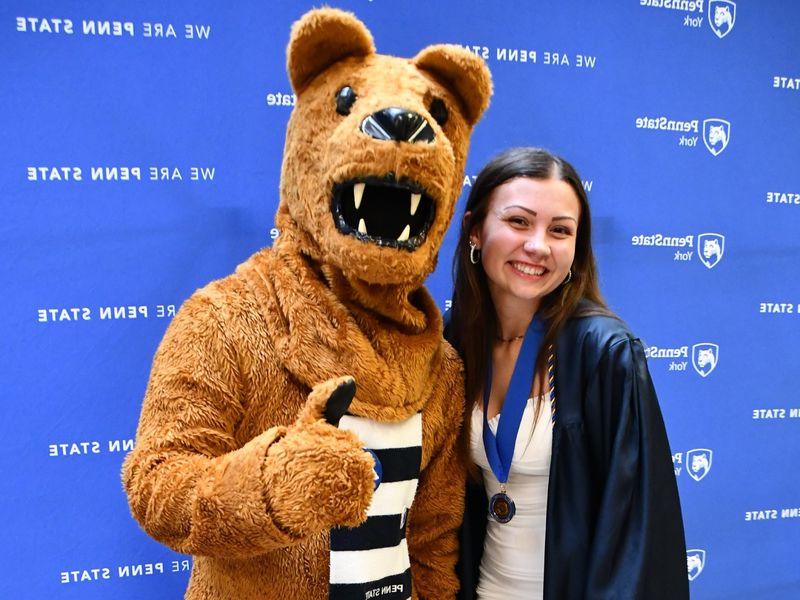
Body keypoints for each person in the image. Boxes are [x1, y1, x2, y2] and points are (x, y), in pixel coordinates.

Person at [445, 147, 688, 599]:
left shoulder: (605, 352)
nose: (537, 246)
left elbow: (638, 537)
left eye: (559, 230)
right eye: (518, 222)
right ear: (476, 230)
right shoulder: (456, 344)